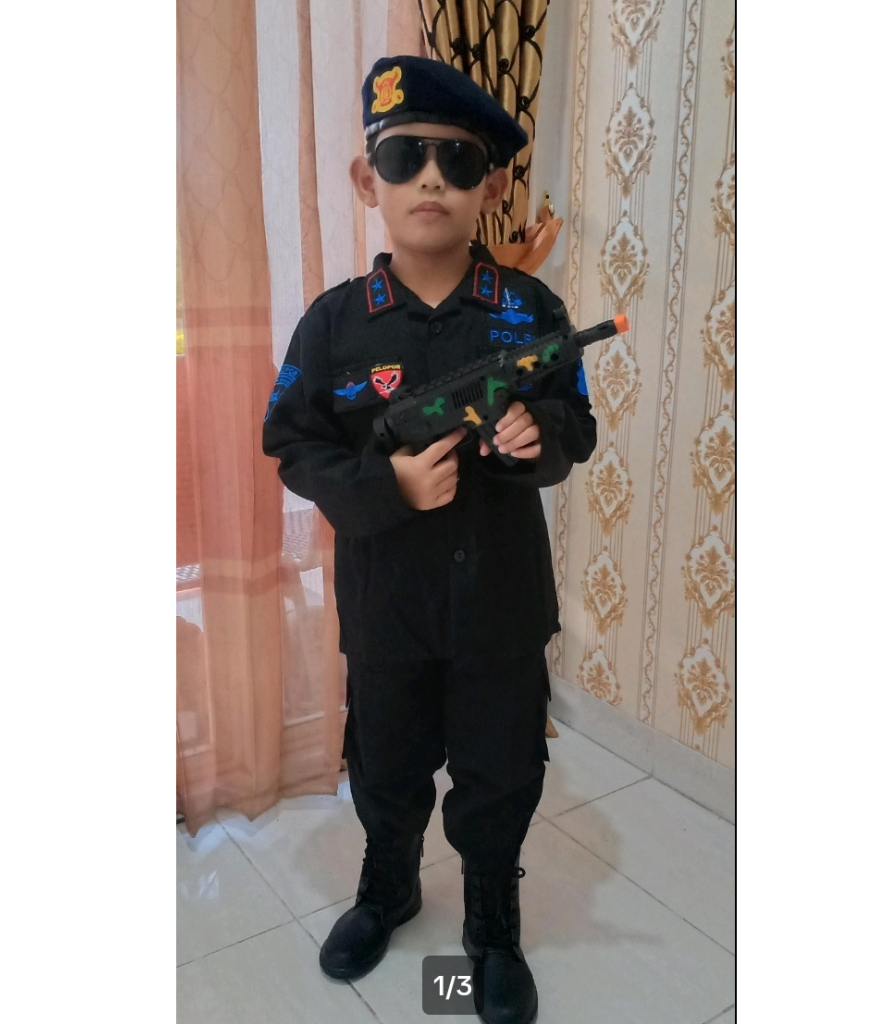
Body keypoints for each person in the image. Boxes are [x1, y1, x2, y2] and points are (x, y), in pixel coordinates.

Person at [263, 54, 597, 1024]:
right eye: (405, 156)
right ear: (367, 179)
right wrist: (388, 487)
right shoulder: (334, 325)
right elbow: (292, 444)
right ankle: (389, 883)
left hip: (499, 605)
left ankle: (491, 917)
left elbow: (573, 425)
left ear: (489, 187)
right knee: (387, 756)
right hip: (389, 607)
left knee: (501, 766)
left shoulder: (529, 312)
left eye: (459, 161)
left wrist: (536, 439)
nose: (432, 180)